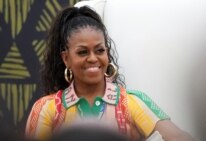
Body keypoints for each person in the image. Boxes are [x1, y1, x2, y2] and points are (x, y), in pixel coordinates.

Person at [25, 5, 194, 141]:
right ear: (66, 58)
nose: (93, 58)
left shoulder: (130, 102)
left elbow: (179, 138)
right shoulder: (47, 109)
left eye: (99, 50)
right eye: (82, 52)